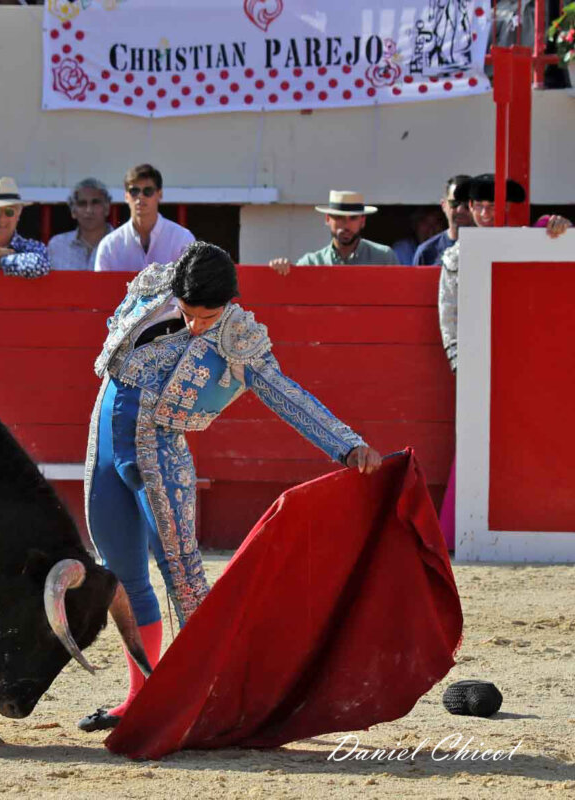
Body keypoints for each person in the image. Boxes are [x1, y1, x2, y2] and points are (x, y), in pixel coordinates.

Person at [78, 241, 381, 733]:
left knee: (184, 580)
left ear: (230, 302)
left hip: (160, 455)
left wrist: (347, 445)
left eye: (209, 316)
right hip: (104, 447)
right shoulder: (152, 288)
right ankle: (140, 697)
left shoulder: (238, 337)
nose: (197, 325)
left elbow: (285, 394)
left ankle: (208, 701)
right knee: (122, 575)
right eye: (188, 313)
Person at [435, 173, 569, 549]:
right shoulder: (456, 256)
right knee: (475, 445)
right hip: (482, 363)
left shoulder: (534, 238)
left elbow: (558, 236)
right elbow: (449, 316)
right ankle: (457, 533)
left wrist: (558, 224)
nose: (484, 213)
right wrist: (460, 363)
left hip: (531, 365)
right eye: (478, 206)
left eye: (492, 206)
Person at [268, 191, 399, 274]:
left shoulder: (384, 257)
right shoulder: (312, 262)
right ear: (327, 219)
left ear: (362, 221)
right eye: (339, 217)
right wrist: (281, 268)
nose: (346, 225)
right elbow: (290, 289)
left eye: (353, 218)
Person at [93, 164, 193, 273]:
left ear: (159, 194)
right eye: (134, 191)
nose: (140, 196)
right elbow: (100, 284)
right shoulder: (109, 246)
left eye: (148, 191)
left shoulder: (182, 239)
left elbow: (193, 282)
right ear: (126, 196)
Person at [48, 178, 113, 270]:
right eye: (82, 204)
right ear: (73, 211)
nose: (89, 210)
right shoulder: (57, 245)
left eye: (95, 203)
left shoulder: (121, 244)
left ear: (107, 208)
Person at [413, 175, 473, 266]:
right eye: (454, 203)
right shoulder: (426, 252)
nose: (460, 210)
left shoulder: (489, 246)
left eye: (467, 204)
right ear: (443, 205)